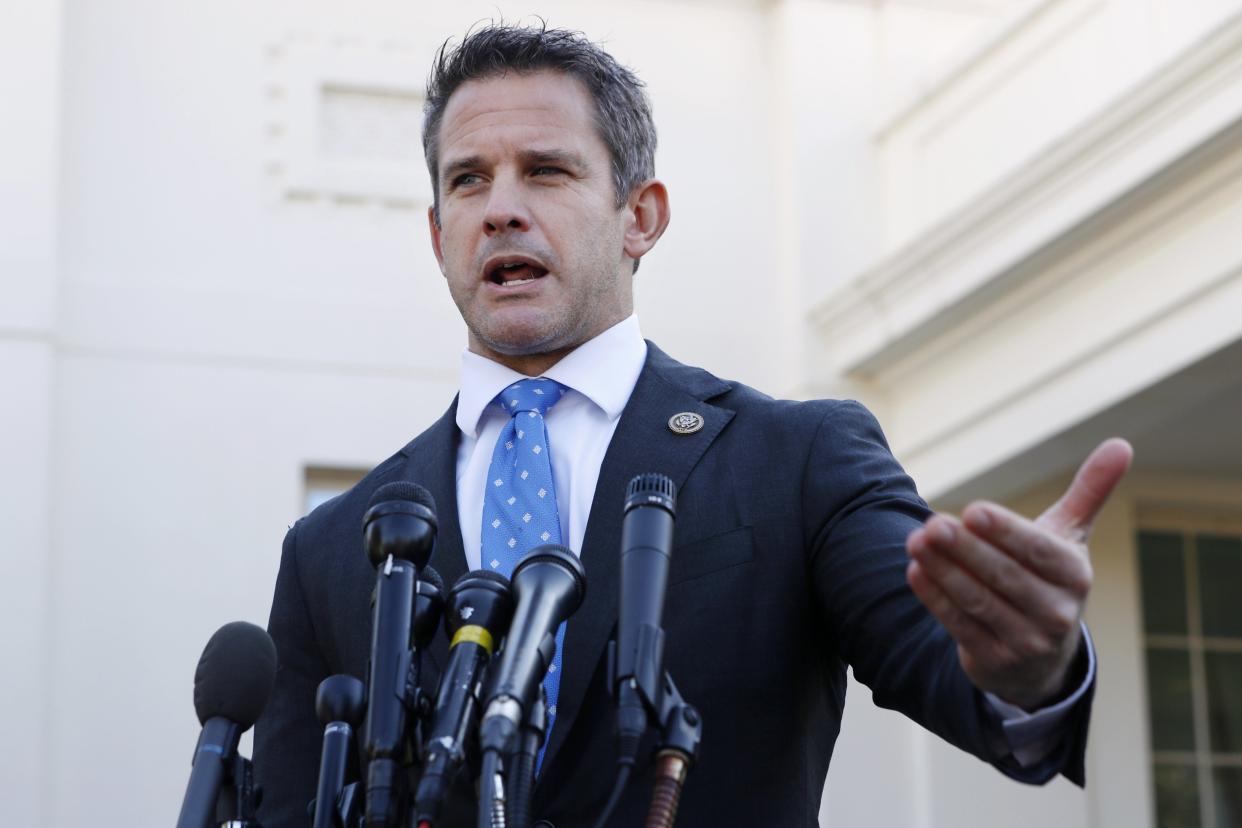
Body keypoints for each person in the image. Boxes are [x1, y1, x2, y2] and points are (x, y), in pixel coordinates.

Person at [254, 23, 1133, 827]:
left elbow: (952, 666)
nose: (501, 208)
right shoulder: (333, 547)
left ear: (640, 217)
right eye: (468, 179)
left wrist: (1032, 666)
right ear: (438, 232)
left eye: (547, 171)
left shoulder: (796, 459)